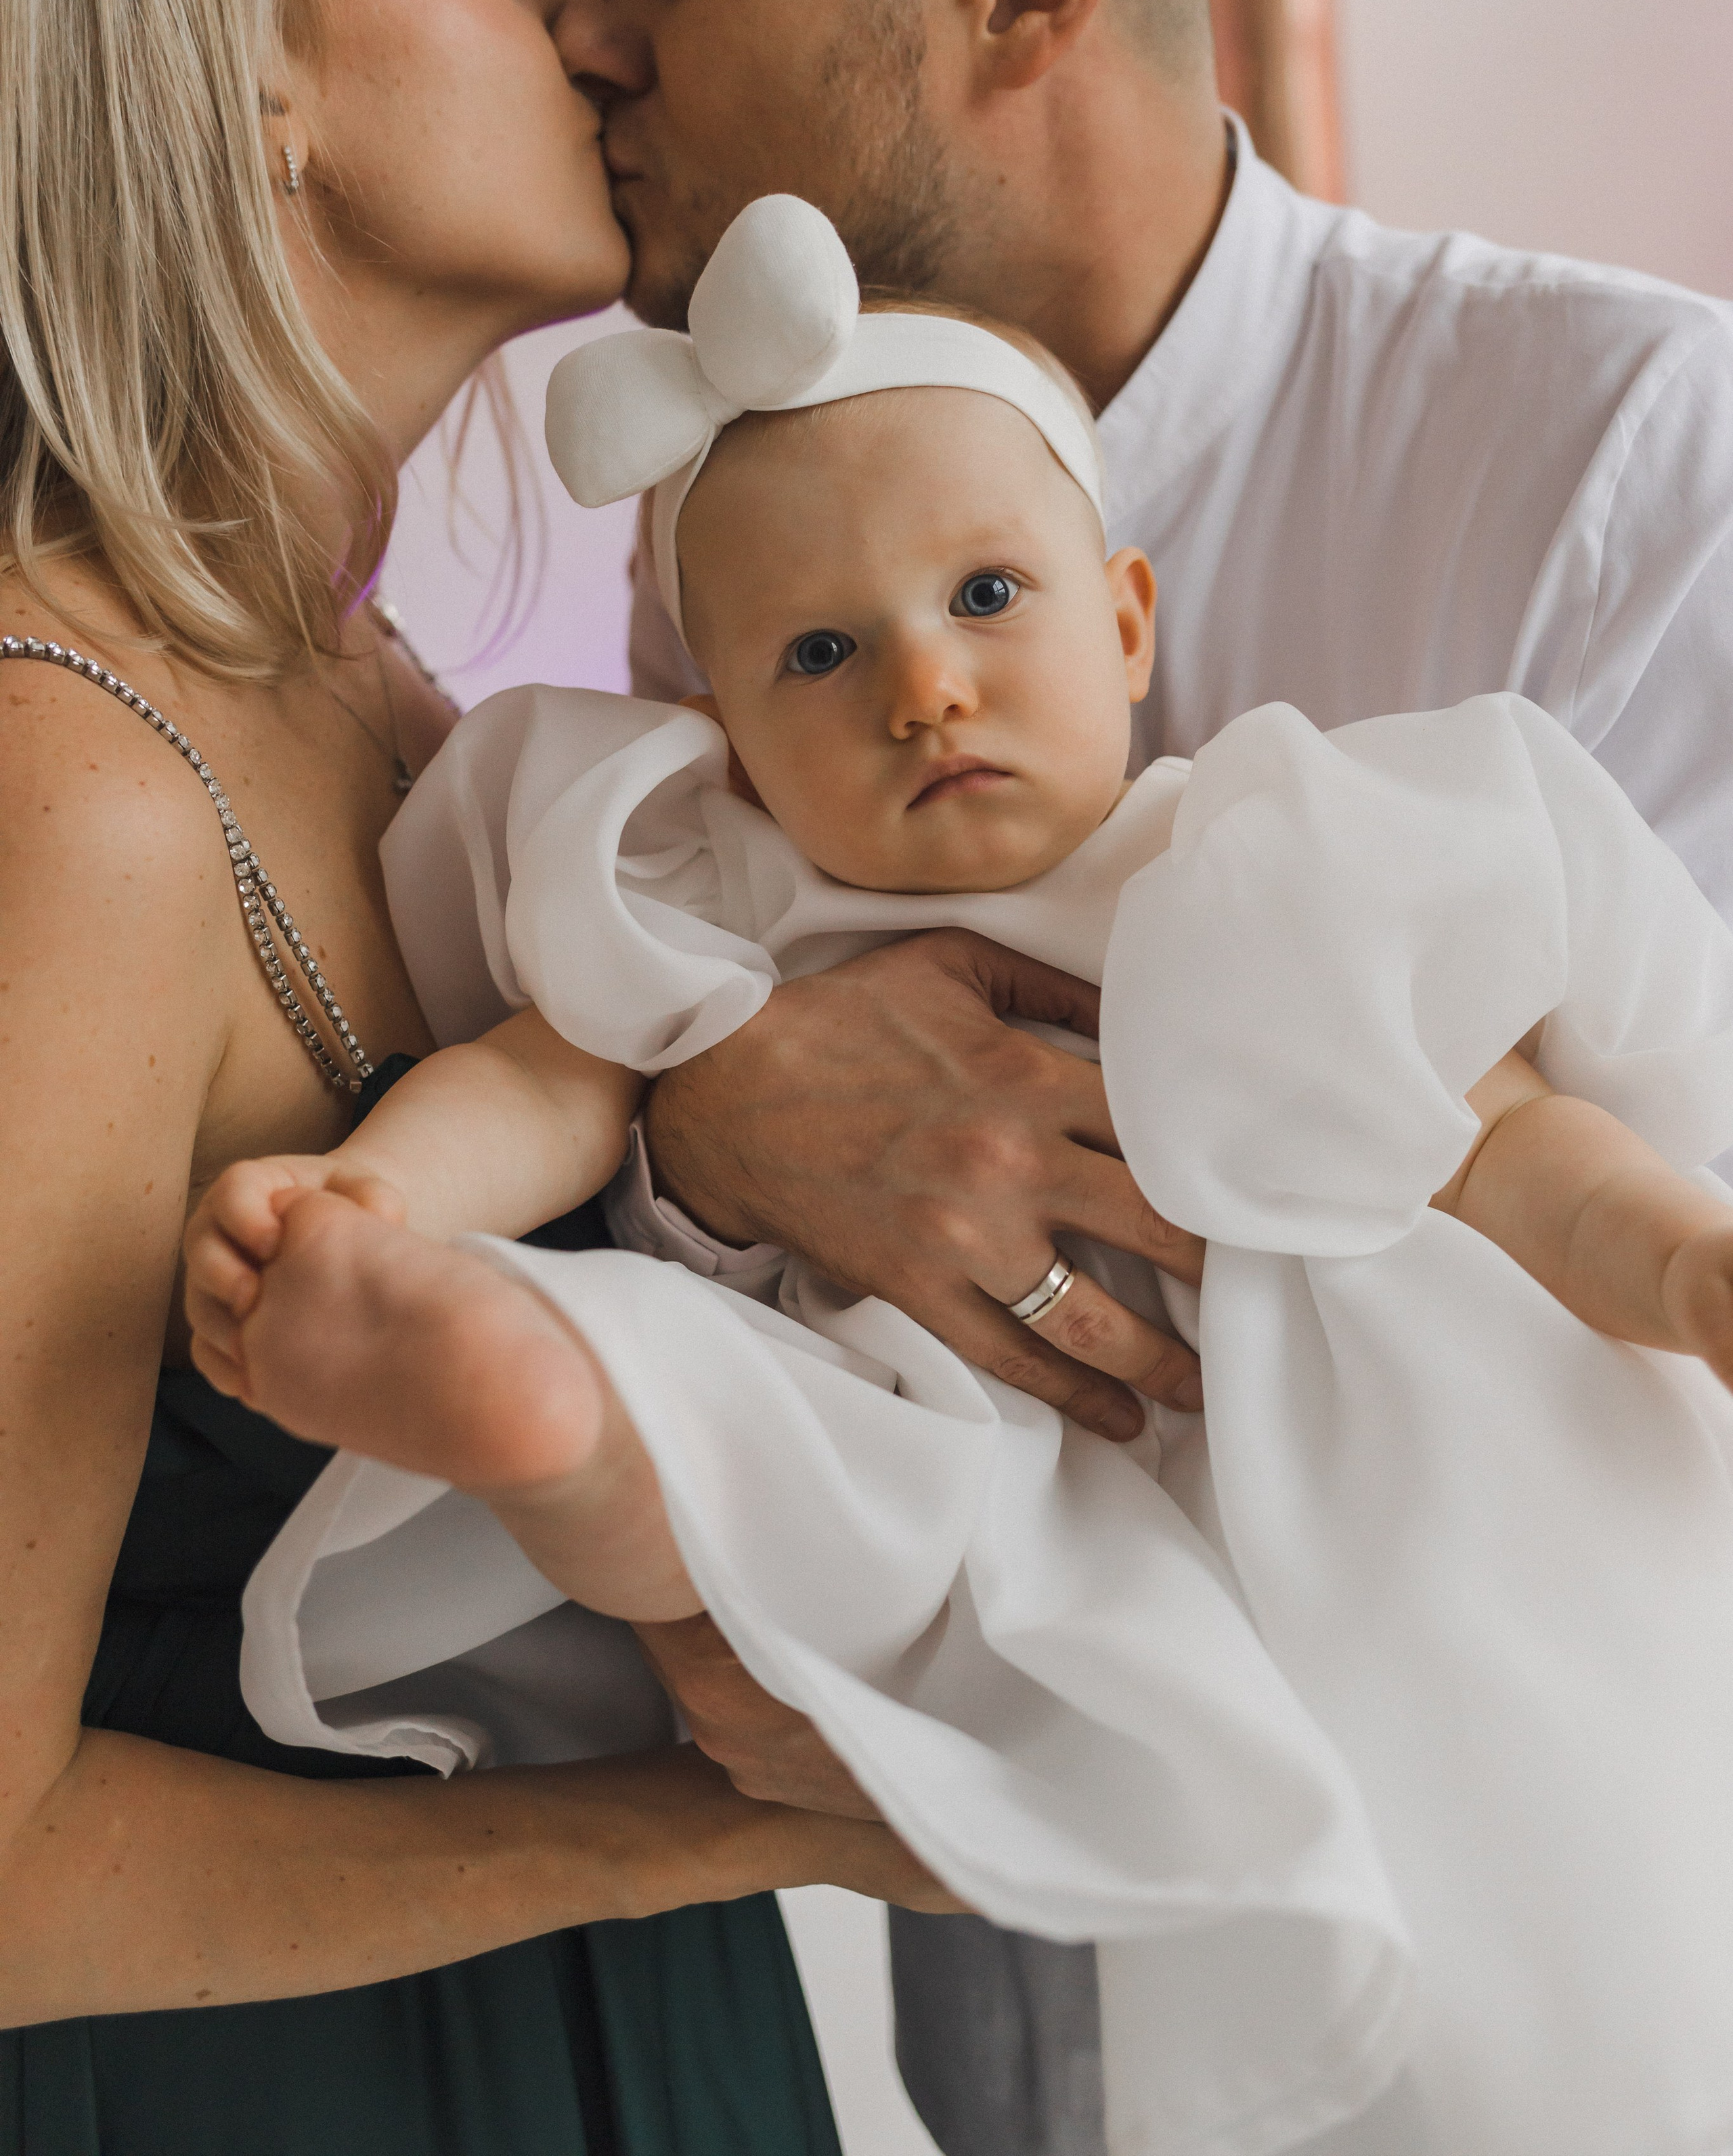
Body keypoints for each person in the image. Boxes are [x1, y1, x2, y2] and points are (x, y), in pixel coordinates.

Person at [183, 196, 1733, 2156]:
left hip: (1295, 1494)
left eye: (986, 597)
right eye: (820, 654)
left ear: (1129, 619)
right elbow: (547, 1084)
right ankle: (551, 1421)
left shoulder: (1282, 850)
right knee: (716, 1415)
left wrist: (1684, 1269)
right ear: (722, 729)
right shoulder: (719, 895)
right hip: (935, 1452)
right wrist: (375, 1201)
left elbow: (1518, 1153)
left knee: (1512, 1913)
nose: (920, 687)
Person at [553, 0, 1733, 2137]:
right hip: (970, 2012)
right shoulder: (701, 581)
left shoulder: (1642, 479)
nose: (587, 37)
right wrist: (703, 1111)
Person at [0, 0, 944, 2156]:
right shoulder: (75, 797)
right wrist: (713, 1838)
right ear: (238, 88)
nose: (585, 29)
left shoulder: (374, 686)